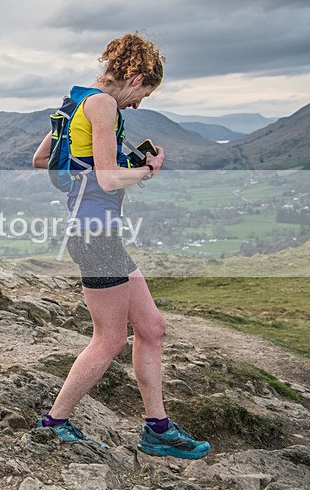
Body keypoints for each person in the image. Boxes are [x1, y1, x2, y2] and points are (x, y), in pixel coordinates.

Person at [32, 32, 210, 459]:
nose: (138, 104)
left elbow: (43, 160)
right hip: (96, 237)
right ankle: (54, 422)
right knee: (109, 339)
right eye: (143, 93)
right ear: (135, 76)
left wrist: (116, 166)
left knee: (151, 328)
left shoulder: (75, 101)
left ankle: (158, 429)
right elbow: (109, 179)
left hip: (98, 232)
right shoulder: (104, 104)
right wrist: (148, 170)